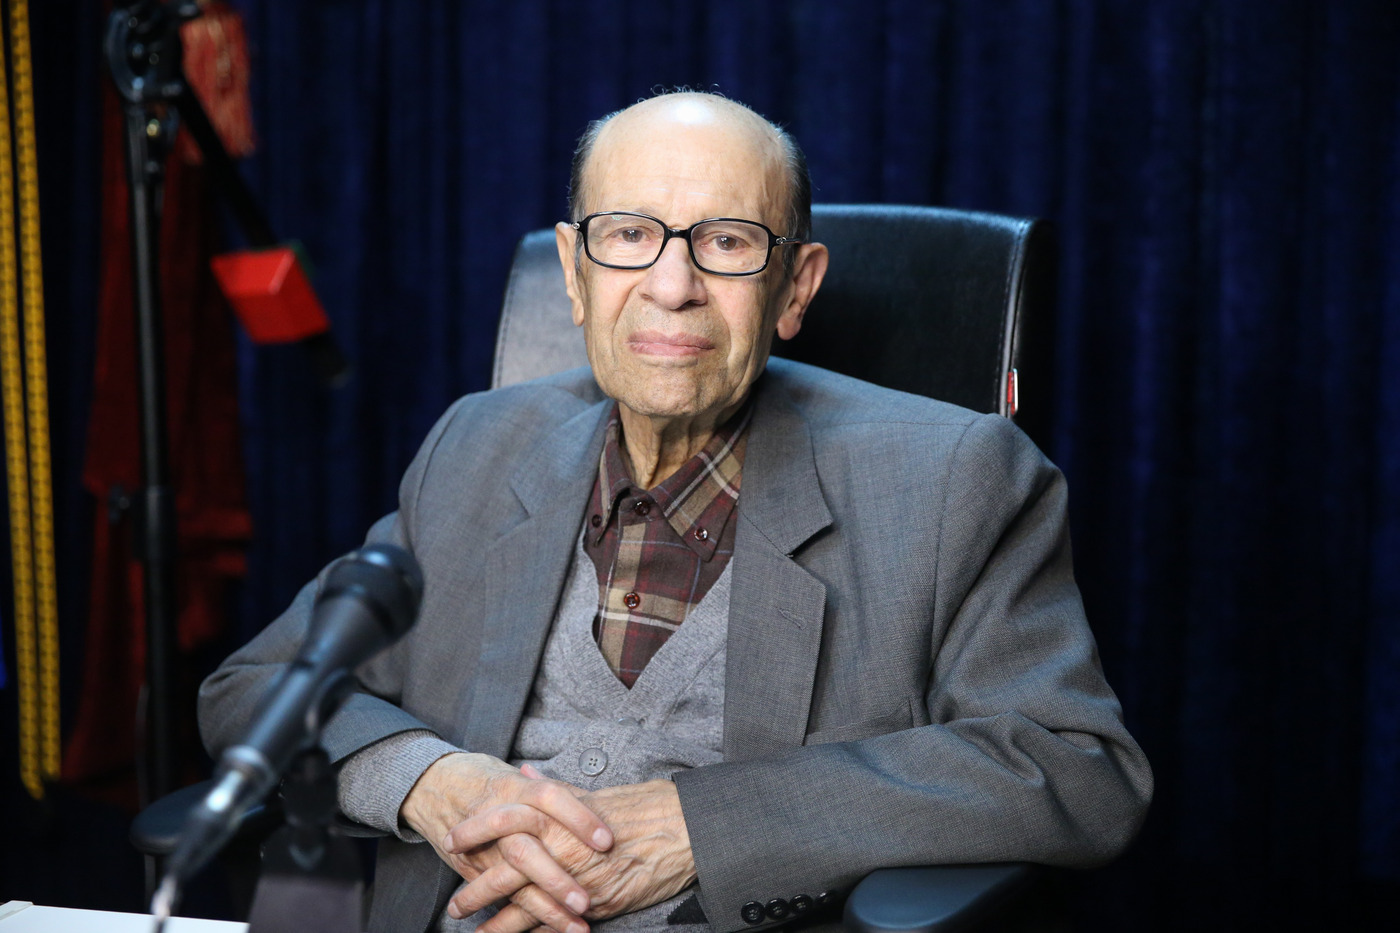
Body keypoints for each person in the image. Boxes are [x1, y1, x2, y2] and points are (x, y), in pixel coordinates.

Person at [199, 91, 1152, 933]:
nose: (671, 285)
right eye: (628, 234)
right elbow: (256, 686)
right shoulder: (477, 448)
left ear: (796, 288)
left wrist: (703, 826)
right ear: (574, 272)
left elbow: (1076, 767)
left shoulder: (954, 478)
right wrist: (428, 781)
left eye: (727, 242)